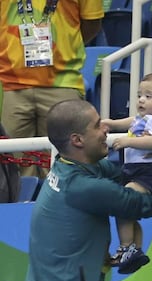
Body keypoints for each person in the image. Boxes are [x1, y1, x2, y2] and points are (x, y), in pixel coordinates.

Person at [24, 99, 152, 281]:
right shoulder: (83, 187)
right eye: (97, 125)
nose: (106, 129)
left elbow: (122, 177)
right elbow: (145, 203)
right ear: (77, 140)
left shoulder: (68, 165)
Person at [0, 1, 103, 177]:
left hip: (63, 81)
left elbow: (91, 23)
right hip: (9, 83)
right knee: (14, 167)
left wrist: (62, 46)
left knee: (65, 166)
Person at [101, 72, 152, 274]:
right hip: (132, 171)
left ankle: (126, 247)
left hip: (148, 174)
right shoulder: (145, 118)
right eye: (140, 95)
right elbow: (130, 121)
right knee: (129, 211)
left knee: (125, 203)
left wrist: (128, 141)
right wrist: (112, 124)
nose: (141, 100)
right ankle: (134, 249)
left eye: (148, 96)